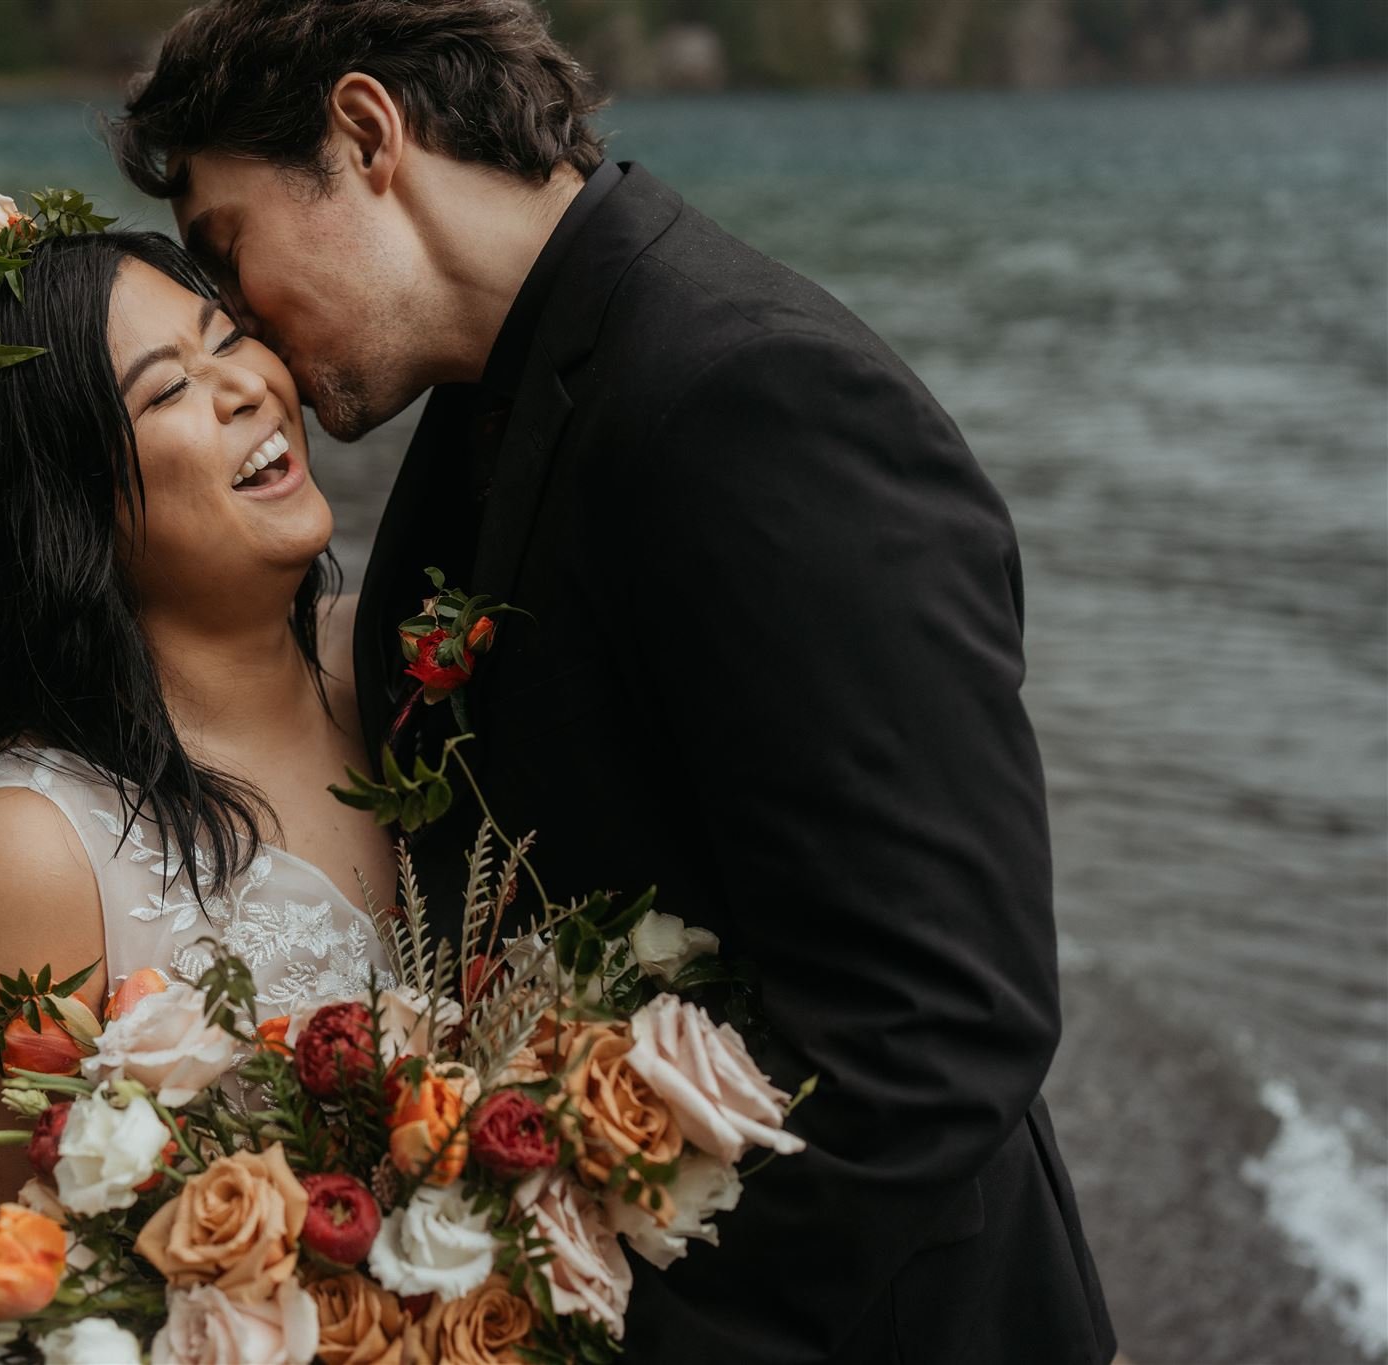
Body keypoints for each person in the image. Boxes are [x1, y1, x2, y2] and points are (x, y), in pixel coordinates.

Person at [110, 1, 1116, 1361]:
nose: (248, 333)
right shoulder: (492, 392)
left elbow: (940, 1029)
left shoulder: (758, 400)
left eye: (228, 251)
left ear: (365, 134)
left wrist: (577, 1342)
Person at [0, 229, 395, 1230]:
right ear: (68, 508)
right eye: (166, 390)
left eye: (233, 336)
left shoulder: (399, 673)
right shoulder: (24, 862)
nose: (247, 384)